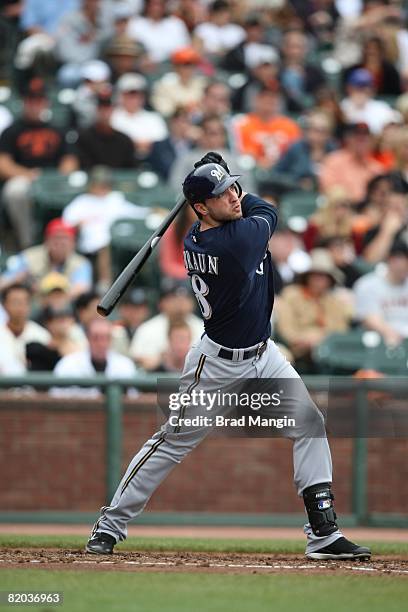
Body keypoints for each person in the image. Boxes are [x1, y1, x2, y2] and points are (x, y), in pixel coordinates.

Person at [86, 151, 371, 561]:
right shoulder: (233, 241)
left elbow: (241, 204)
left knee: (311, 424)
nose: (234, 196)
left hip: (264, 354)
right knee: (171, 442)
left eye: (234, 187)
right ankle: (110, 525)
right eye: (222, 193)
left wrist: (214, 180)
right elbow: (268, 209)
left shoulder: (211, 230)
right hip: (215, 366)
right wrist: (223, 186)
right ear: (200, 208)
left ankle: (323, 534)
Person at [0, 78, 78, 249]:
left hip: (54, 181)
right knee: (15, 191)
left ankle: (65, 246)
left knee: (76, 189)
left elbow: (70, 160)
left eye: (39, 99)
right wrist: (28, 175)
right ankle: (27, 243)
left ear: (46, 102)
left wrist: (57, 177)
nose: (35, 104)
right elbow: (3, 164)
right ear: (24, 102)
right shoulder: (12, 130)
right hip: (26, 179)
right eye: (31, 99)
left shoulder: (57, 129)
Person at [275, 249, 352, 367]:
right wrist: (304, 339)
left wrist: (320, 338)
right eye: (315, 275)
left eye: (323, 276)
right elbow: (286, 329)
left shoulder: (334, 302)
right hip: (297, 352)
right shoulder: (291, 295)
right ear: (307, 276)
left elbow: (342, 331)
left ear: (330, 280)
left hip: (330, 353)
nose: (318, 280)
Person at [0, 218, 92, 299]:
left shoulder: (81, 263)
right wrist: (18, 279)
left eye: (64, 239)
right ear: (46, 240)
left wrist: (50, 295)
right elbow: (2, 283)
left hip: (65, 311)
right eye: (56, 238)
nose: (59, 243)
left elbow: (82, 289)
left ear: (73, 243)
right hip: (31, 307)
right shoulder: (29, 257)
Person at [52, 317, 138, 397]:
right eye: (96, 337)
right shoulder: (68, 364)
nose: (101, 343)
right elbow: (55, 398)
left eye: (105, 338)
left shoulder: (125, 365)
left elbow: (133, 400)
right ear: (88, 338)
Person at [129, 280, 203, 370]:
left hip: (194, 378)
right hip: (157, 380)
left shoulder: (203, 328)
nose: (179, 303)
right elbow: (135, 357)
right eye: (173, 298)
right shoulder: (147, 328)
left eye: (185, 298)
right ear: (161, 303)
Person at [353, 242, 408, 346]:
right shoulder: (368, 284)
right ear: (392, 260)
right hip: (379, 341)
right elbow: (369, 319)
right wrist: (389, 333)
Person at [319, 122, 383, 203]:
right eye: (357, 139)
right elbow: (329, 189)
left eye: (365, 139)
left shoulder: (377, 168)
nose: (361, 142)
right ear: (348, 139)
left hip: (368, 210)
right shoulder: (334, 160)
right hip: (341, 208)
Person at [0, 283, 50, 370]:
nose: (20, 307)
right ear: (4, 305)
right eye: (15, 302)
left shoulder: (41, 335)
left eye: (24, 302)